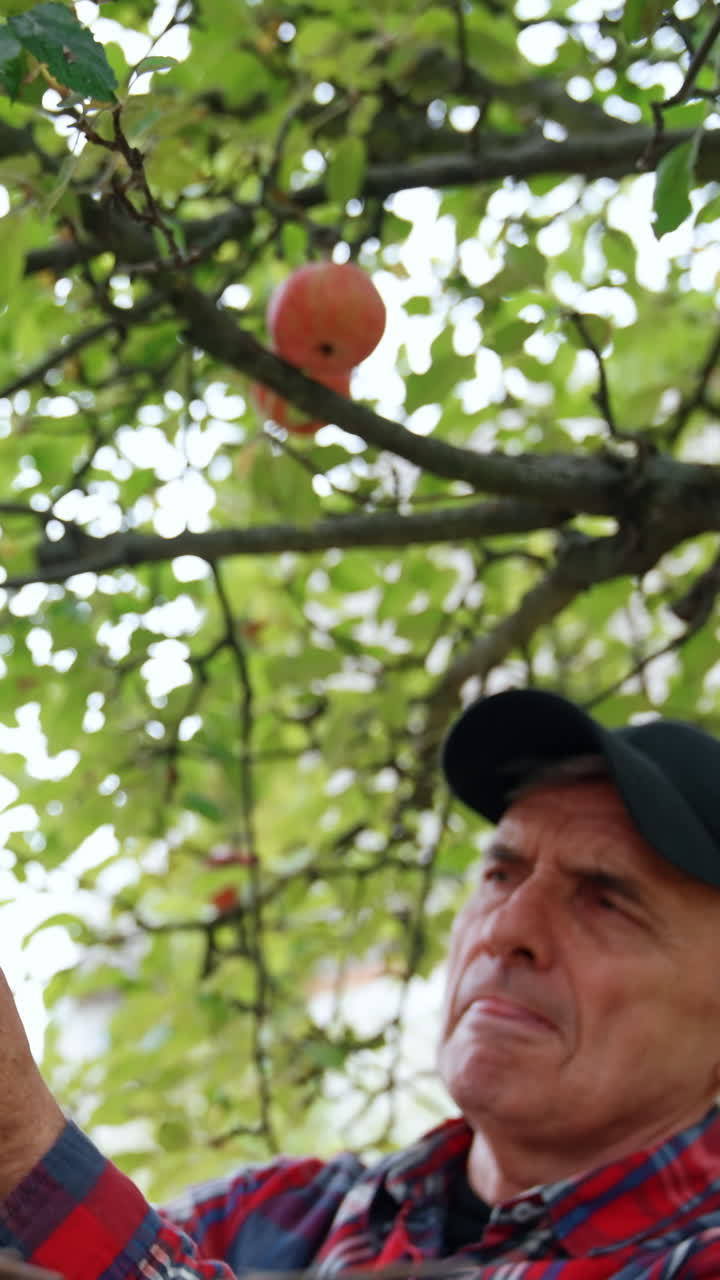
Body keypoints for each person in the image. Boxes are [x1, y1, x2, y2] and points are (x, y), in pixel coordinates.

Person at [4, 687, 720, 1279]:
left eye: (605, 899)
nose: (506, 930)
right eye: (501, 873)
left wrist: (21, 1145)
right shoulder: (276, 1214)